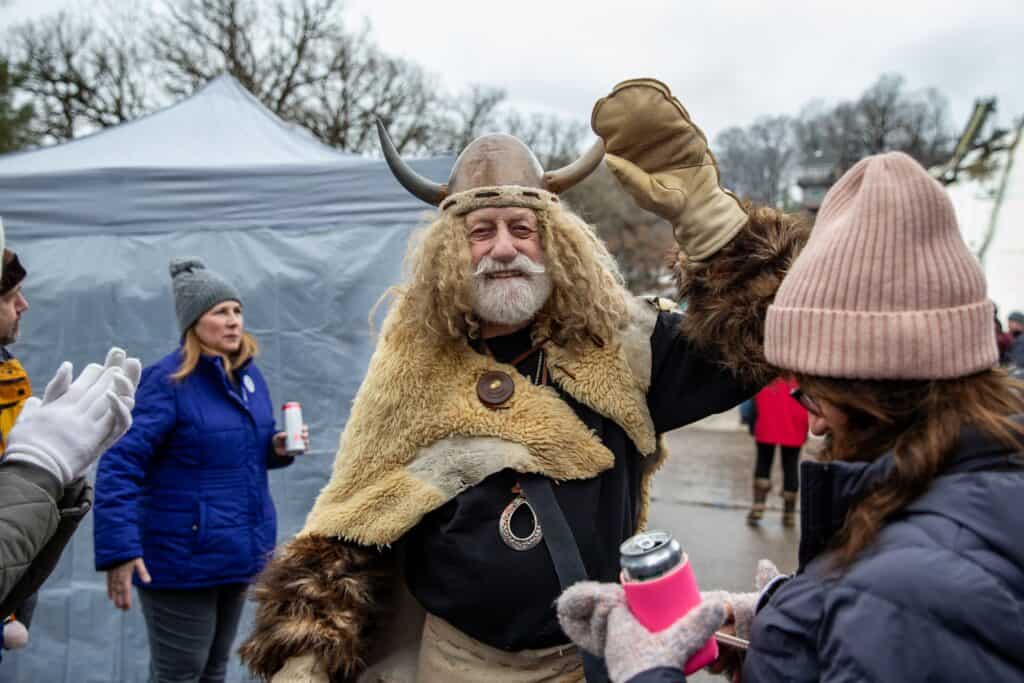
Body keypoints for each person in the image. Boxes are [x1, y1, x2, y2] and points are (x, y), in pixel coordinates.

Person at [238, 79, 809, 683]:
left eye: (522, 227)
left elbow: (769, 335)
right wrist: (304, 660)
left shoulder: (619, 346)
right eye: (482, 231)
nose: (504, 248)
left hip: (588, 660)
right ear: (450, 253)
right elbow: (352, 523)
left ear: (555, 243)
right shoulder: (412, 367)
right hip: (457, 665)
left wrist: (706, 215)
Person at [556, 152, 1024, 682]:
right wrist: (788, 616)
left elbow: (900, 609)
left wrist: (648, 673)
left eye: (817, 396)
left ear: (875, 390)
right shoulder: (974, 486)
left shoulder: (905, 596)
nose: (816, 425)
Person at [93, 258, 307, 683]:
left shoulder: (248, 379)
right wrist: (119, 551)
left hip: (238, 552)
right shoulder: (165, 382)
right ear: (194, 322)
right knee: (181, 675)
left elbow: (225, 450)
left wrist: (274, 449)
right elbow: (119, 463)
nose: (234, 322)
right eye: (220, 312)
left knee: (214, 670)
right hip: (181, 559)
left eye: (237, 311)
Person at [0, 218, 140, 648]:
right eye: (8, 295)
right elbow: (128, 470)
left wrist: (63, 485)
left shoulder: (9, 378)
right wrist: (40, 467)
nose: (23, 304)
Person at [745, 377, 807, 526]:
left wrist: (751, 422)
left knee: (763, 462)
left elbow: (751, 400)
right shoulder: (801, 372)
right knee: (791, 466)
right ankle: (789, 514)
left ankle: (758, 507)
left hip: (767, 417)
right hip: (795, 422)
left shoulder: (768, 370)